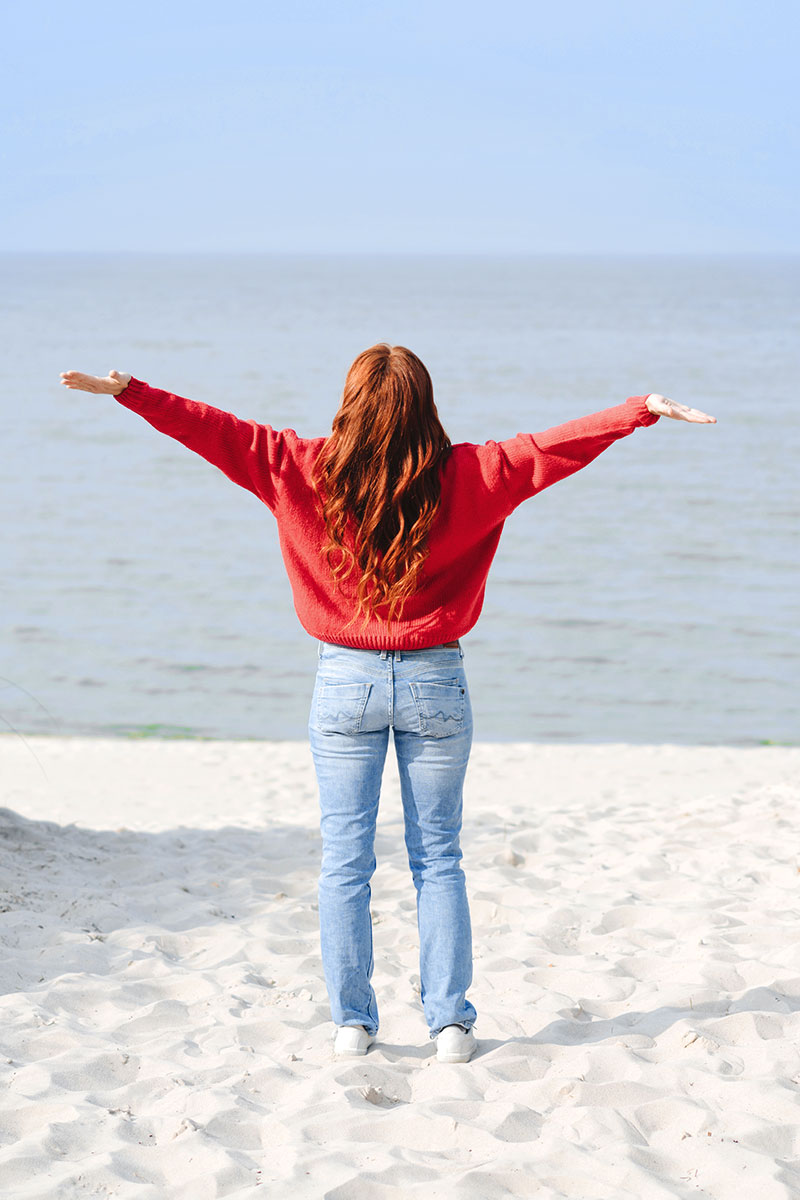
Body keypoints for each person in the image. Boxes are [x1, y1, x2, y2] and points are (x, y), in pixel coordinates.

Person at [60, 346, 716, 1064]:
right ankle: (449, 1027)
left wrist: (134, 392)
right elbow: (550, 451)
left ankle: (352, 1023)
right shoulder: (473, 473)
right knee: (439, 858)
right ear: (424, 406)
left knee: (345, 862)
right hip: (436, 681)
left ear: (349, 406)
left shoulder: (297, 465)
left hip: (345, 682)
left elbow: (217, 430)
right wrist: (636, 412)